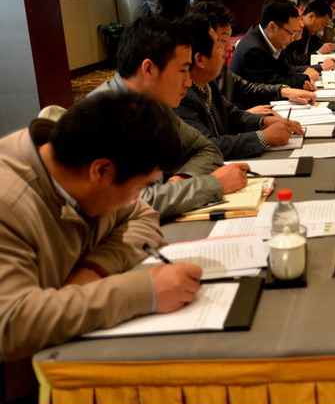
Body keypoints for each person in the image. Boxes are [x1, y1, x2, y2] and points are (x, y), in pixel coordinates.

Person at [0, 91, 202, 363]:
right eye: (141, 187)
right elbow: (11, 324)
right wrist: (145, 292)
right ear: (101, 171)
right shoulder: (8, 203)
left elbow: (143, 216)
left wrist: (94, 269)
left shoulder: (77, 165)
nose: (138, 197)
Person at [91, 16, 250, 218]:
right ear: (149, 69)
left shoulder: (154, 104)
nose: (188, 82)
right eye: (183, 70)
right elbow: (131, 204)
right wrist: (212, 184)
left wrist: (182, 180)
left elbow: (208, 149)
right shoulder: (101, 118)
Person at [174, 16, 303, 160]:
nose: (229, 48)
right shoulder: (181, 96)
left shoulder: (207, 83)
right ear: (199, 60)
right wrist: (263, 137)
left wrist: (264, 121)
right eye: (218, 44)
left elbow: (233, 115)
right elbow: (207, 145)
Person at [186, 2, 316, 111]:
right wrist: (250, 115)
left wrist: (282, 90)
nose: (230, 48)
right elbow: (218, 128)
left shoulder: (218, 70)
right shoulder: (186, 94)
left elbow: (247, 88)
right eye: (223, 40)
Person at [229, 0, 318, 89]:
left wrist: (304, 76)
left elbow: (286, 70)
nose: (292, 39)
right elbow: (273, 82)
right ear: (272, 27)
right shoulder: (253, 50)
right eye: (291, 33)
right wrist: (304, 79)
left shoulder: (271, 39)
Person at [284, 0, 335, 72]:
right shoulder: (296, 33)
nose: (301, 25)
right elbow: (295, 63)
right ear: (311, 16)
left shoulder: (310, 33)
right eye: (322, 23)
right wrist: (319, 56)